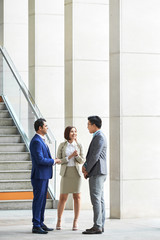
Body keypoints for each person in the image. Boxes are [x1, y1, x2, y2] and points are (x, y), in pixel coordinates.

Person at [30, 118, 61, 234]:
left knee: (42, 200)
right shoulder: (36, 141)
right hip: (39, 176)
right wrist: (54, 161)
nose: (47, 128)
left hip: (44, 175)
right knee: (38, 200)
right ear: (40, 128)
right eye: (46, 126)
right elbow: (40, 160)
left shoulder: (41, 140)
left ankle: (40, 223)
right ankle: (36, 225)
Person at [56, 126, 85, 231]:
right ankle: (59, 220)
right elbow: (58, 160)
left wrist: (76, 155)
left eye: (75, 131)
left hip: (76, 173)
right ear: (67, 133)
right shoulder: (62, 145)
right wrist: (70, 156)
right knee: (63, 197)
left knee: (77, 197)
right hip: (66, 172)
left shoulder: (79, 145)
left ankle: (75, 221)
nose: (74, 133)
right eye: (72, 131)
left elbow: (82, 161)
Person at [82, 116, 107, 234]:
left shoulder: (99, 137)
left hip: (97, 171)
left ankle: (97, 226)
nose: (87, 127)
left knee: (96, 199)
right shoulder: (97, 137)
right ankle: (100, 225)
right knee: (100, 199)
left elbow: (95, 156)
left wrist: (86, 168)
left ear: (94, 125)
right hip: (98, 171)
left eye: (88, 124)